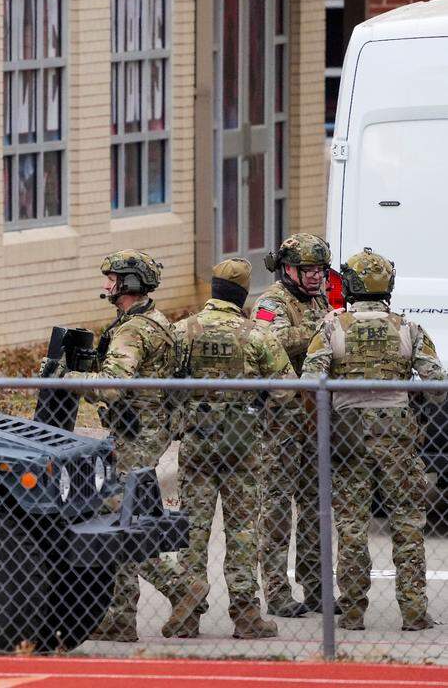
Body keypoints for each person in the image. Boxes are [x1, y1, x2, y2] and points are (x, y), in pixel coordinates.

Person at [60, 249, 208, 642]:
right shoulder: (156, 320)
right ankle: (121, 616)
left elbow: (112, 384)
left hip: (135, 434)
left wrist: (67, 377)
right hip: (148, 429)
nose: (107, 285)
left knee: (115, 521)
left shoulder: (132, 330)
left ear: (130, 284)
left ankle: (179, 588)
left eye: (113, 279)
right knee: (121, 518)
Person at [301, 248, 442, 631]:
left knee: (350, 523)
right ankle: (414, 612)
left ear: (349, 285)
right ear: (388, 286)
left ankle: (351, 612)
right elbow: (435, 383)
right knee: (408, 521)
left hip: (347, 429)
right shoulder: (408, 328)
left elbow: (311, 378)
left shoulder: (333, 328)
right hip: (396, 427)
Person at [167, 258, 295, 640]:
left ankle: (187, 615)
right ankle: (246, 615)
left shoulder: (183, 331)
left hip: (197, 443)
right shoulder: (256, 335)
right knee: (242, 532)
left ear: (213, 289)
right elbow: (287, 388)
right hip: (243, 447)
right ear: (242, 295)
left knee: (192, 529)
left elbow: (165, 381)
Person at [252, 233, 331, 618]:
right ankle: (277, 593)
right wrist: (324, 329)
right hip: (280, 421)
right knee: (278, 510)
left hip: (314, 418)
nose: (317, 277)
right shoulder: (271, 302)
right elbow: (272, 341)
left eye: (320, 270)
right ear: (288, 269)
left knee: (316, 507)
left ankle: (315, 589)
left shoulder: (320, 301)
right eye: (309, 270)